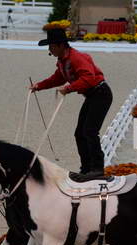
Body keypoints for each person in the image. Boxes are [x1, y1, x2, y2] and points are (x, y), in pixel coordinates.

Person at [30, 29, 113, 182]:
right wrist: (39, 86)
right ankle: (87, 169)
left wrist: (69, 88)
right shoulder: (63, 60)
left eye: (51, 46)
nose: (49, 50)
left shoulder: (76, 58)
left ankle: (97, 169)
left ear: (61, 45)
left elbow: (89, 77)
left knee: (90, 131)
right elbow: (58, 79)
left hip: (101, 94)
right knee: (80, 133)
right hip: (93, 95)